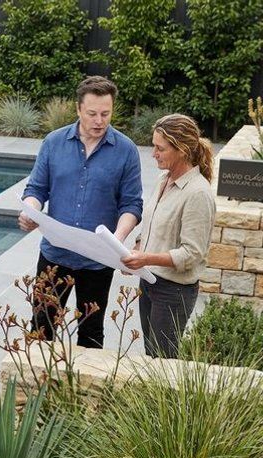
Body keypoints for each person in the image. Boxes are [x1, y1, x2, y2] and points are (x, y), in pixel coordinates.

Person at [19, 76, 143, 348]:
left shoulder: (127, 151)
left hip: (98, 261)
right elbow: (36, 189)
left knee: (91, 334)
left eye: (105, 114)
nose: (99, 121)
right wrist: (31, 211)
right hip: (54, 256)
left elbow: (132, 204)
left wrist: (116, 240)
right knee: (41, 328)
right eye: (92, 114)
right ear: (78, 109)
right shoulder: (53, 142)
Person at [120, 114, 215, 358]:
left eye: (160, 148)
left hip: (173, 291)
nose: (153, 153)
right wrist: (135, 251)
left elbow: (192, 254)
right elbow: (152, 222)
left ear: (181, 150)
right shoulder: (164, 180)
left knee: (163, 363)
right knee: (151, 355)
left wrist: (145, 258)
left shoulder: (198, 194)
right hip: (149, 281)